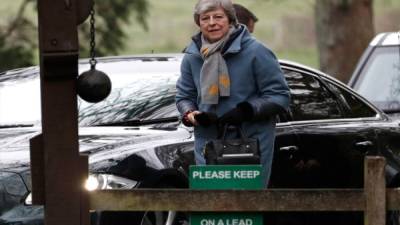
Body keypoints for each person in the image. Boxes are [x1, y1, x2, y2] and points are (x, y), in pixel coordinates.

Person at [175, 0, 290, 186]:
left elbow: (280, 96)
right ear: (199, 23)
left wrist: (247, 110)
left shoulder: (256, 51)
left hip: (250, 141)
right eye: (205, 18)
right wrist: (191, 114)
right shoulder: (192, 55)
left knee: (246, 204)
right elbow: (184, 96)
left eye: (218, 17)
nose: (212, 22)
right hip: (208, 142)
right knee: (211, 203)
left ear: (230, 20)